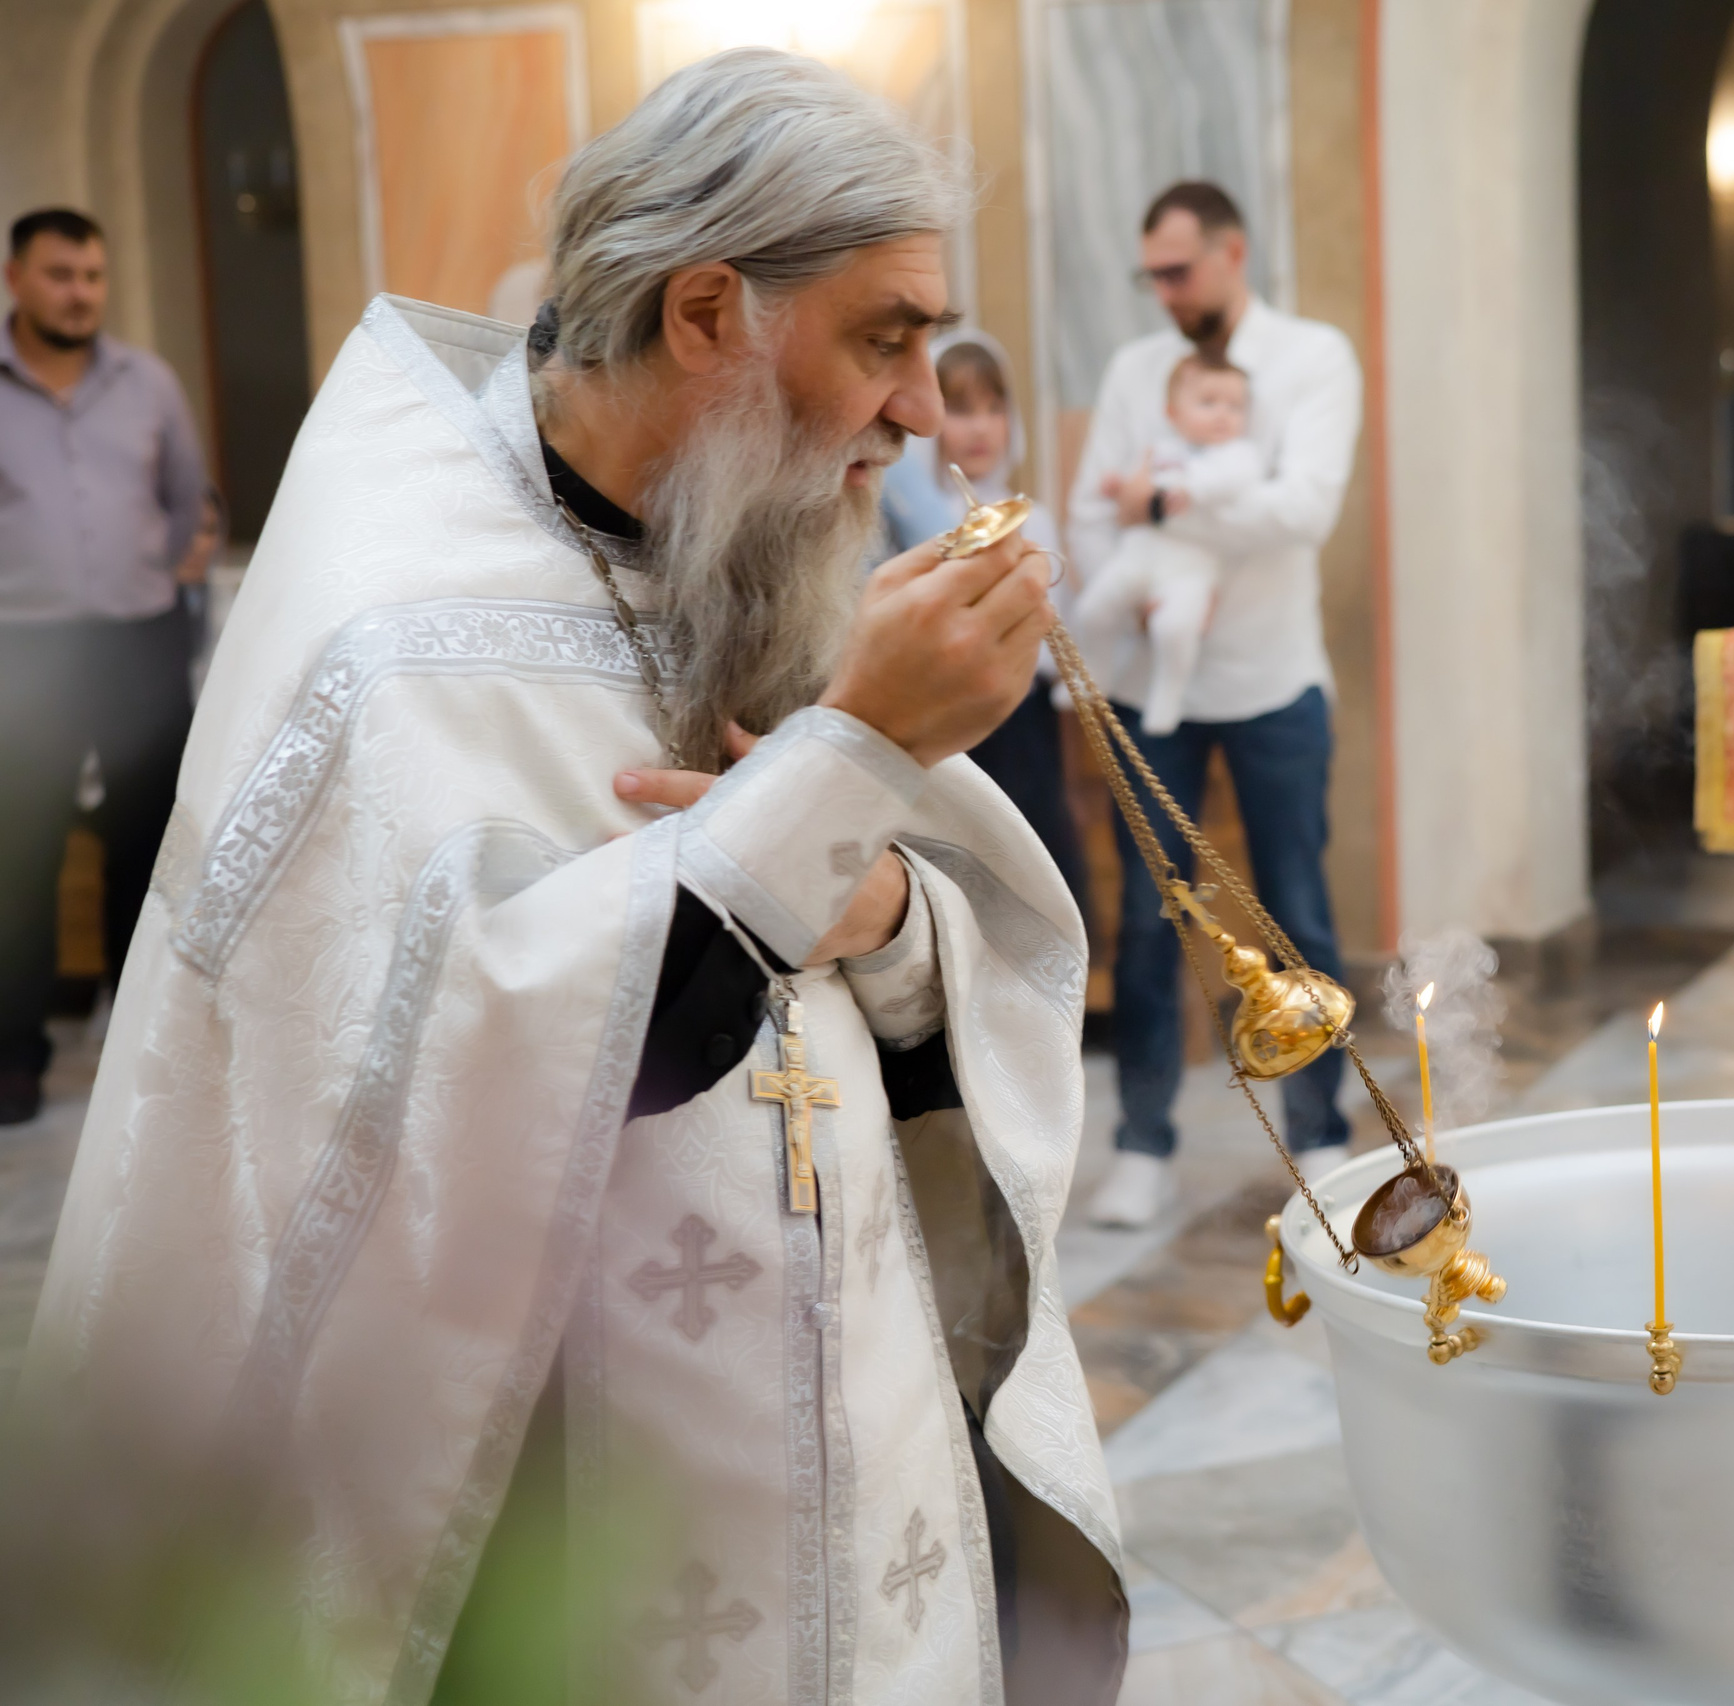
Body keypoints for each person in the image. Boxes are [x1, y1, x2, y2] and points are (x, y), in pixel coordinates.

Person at [22, 52, 1125, 1703]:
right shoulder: (396, 619)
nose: (919, 405)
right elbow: (465, 1097)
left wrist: (894, 922)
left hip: (859, 1426)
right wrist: (861, 753)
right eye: (882, 340)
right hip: (560, 1491)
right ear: (706, 313)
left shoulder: (745, 535)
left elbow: (856, 928)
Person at [1066, 181, 1361, 1229]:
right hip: (1154, 678)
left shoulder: (1312, 357)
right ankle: (1142, 1145)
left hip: (1275, 677)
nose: (1164, 292)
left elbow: (1303, 509)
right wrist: (1140, 584)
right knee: (1151, 922)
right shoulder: (1134, 369)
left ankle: (1321, 1135)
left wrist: (1162, 506)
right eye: (1151, 275)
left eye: (1179, 270)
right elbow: (1090, 510)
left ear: (1232, 252)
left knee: (1295, 911)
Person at [0, 207, 205, 1125]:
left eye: (91, 276)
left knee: (148, 851)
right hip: (22, 649)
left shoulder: (148, 382)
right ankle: (13, 1058)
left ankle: (142, 1052)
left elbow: (187, 499)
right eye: (59, 275)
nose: (79, 293)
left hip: (135, 642)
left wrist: (161, 577)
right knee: (19, 854)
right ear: (15, 278)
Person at [880, 331, 1090, 936]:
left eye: (993, 409)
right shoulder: (913, 522)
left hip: (1022, 720)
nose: (979, 428)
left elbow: (1054, 639)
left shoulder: (1032, 516)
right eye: (960, 409)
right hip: (943, 718)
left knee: (1036, 849)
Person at [1074, 350, 1262, 735]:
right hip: (1139, 557)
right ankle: (1093, 676)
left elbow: (1233, 479)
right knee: (1094, 608)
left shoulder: (1239, 455)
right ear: (1173, 413)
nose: (1223, 414)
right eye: (1208, 402)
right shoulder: (1159, 450)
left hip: (1189, 570)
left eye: (1235, 406)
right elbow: (1134, 490)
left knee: (1174, 628)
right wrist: (1118, 488)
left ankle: (1168, 695)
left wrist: (1192, 489)